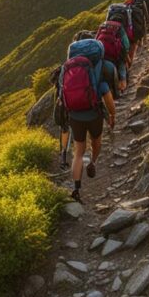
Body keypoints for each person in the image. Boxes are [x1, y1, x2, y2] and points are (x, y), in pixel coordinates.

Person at [60, 38, 116, 202]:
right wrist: (112, 115)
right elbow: (106, 93)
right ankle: (93, 162)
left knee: (78, 152)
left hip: (75, 115)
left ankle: (76, 188)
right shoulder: (99, 68)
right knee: (96, 141)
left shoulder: (68, 68)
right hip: (94, 114)